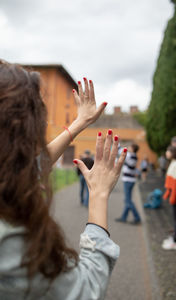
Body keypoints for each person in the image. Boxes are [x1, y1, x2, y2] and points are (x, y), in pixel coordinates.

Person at [0, 60, 127, 300]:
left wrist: (79, 123)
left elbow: (29, 167)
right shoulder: (11, 244)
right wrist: (99, 195)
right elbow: (86, 289)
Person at [115, 143, 141, 225]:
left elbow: (120, 151)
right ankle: (124, 217)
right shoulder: (133, 156)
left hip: (128, 180)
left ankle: (137, 218)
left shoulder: (130, 156)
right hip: (130, 180)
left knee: (128, 200)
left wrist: (117, 143)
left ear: (133, 148)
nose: (128, 147)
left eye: (130, 146)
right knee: (127, 200)